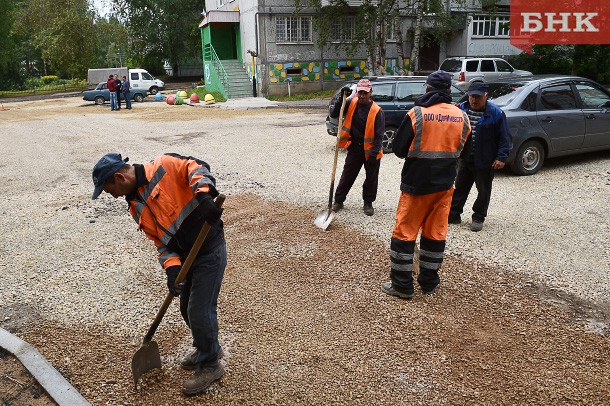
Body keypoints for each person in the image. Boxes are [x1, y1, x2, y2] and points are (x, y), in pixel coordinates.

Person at [91, 152, 226, 395]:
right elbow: (161, 243)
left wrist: (204, 196)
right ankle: (207, 347)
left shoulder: (163, 166)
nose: (111, 196)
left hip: (208, 248)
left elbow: (196, 167)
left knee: (199, 310)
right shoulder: (135, 206)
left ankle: (210, 363)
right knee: (186, 308)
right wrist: (172, 270)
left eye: (109, 190)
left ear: (119, 177)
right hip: (186, 258)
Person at [381, 71, 471, 299]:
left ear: (428, 89)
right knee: (435, 235)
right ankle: (429, 283)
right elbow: (468, 152)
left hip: (416, 186)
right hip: (444, 187)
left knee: (404, 234)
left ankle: (402, 286)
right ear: (449, 91)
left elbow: (399, 150)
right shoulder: (462, 117)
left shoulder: (417, 114)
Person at [448, 82, 512, 231]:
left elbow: (505, 138)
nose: (474, 100)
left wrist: (501, 157)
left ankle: (478, 217)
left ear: (486, 95)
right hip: (465, 158)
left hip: (485, 160)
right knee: (460, 187)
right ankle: (453, 214)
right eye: (472, 96)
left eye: (478, 97)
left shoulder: (496, 113)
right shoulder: (461, 109)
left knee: (483, 190)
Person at [330, 78, 385, 216]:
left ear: (370, 92)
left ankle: (368, 202)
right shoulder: (351, 103)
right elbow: (334, 113)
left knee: (371, 178)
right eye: (360, 92)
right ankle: (338, 201)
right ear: (357, 92)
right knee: (347, 175)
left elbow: (379, 135)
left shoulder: (377, 111)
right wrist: (340, 97)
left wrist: (374, 154)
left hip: (372, 150)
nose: (362, 96)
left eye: (365, 93)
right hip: (355, 147)